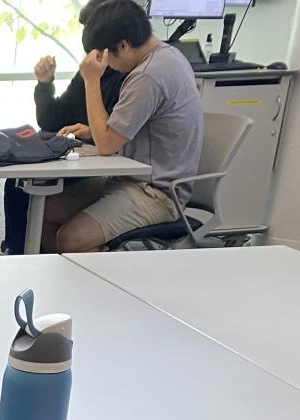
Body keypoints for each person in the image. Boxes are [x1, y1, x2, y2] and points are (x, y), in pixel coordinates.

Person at [41, 0, 201, 253]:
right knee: (43, 210)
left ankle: (99, 288)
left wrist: (91, 80)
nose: (107, 67)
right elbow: (135, 130)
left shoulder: (148, 75)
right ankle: (69, 281)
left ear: (123, 46)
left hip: (156, 193)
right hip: (129, 179)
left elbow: (106, 145)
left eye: (105, 58)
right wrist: (96, 130)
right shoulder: (167, 55)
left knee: (71, 239)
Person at [1, 0, 124, 252]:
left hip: (106, 167)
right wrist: (45, 84)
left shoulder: (129, 77)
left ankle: (28, 253)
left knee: (29, 191)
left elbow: (117, 137)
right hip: (78, 158)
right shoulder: (90, 73)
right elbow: (51, 120)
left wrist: (91, 132)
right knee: (18, 182)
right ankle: (16, 252)